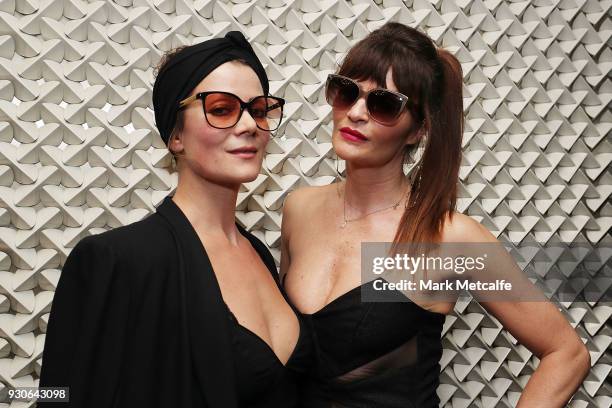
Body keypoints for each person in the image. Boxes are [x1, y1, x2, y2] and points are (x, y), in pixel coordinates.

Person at [280, 22, 591, 407]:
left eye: (382, 103)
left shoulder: (451, 240)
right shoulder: (299, 208)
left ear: (416, 130)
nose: (356, 112)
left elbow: (567, 353)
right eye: (346, 92)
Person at [38, 31, 311, 408]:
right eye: (221, 109)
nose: (249, 125)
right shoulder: (116, 260)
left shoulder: (261, 254)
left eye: (259, 109)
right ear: (176, 136)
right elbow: (59, 396)